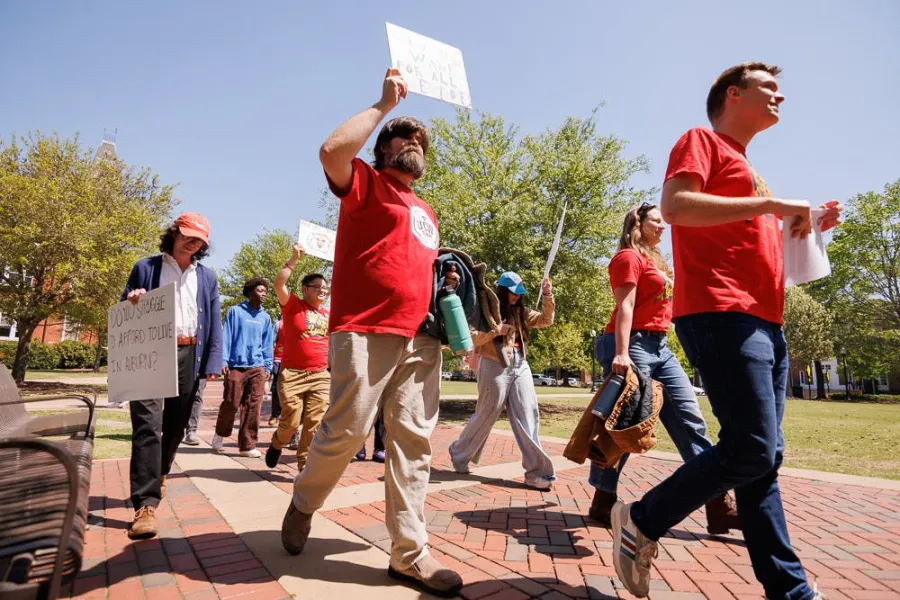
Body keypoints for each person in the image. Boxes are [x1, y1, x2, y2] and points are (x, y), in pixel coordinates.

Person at [610, 62, 841, 600]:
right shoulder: (701, 141)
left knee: (763, 458)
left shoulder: (748, 168)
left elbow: (749, 243)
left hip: (765, 318)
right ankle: (642, 518)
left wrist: (800, 226)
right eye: (768, 88)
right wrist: (773, 205)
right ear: (734, 95)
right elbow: (676, 206)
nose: (780, 95)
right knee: (755, 450)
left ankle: (790, 591)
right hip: (721, 313)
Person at [280, 68, 462, 598]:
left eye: (421, 139)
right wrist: (384, 105)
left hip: (420, 338)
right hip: (363, 330)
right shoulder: (364, 181)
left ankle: (409, 553)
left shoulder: (426, 209)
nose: (415, 142)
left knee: (413, 442)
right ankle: (304, 502)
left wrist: (443, 280)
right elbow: (330, 152)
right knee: (346, 432)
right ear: (383, 150)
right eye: (404, 136)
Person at [587, 203, 739, 534]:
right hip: (631, 345)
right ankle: (603, 498)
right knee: (630, 425)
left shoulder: (658, 261)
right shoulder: (628, 258)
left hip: (661, 347)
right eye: (656, 221)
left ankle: (718, 505)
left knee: (690, 421)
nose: (662, 227)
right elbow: (625, 306)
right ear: (637, 224)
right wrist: (622, 353)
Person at [121, 212, 222, 539]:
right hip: (150, 349)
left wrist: (211, 362)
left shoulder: (207, 277)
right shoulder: (146, 267)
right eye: (188, 235)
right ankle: (145, 505)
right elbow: (126, 306)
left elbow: (214, 323)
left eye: (200, 240)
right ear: (174, 232)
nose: (192, 243)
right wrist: (133, 302)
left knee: (176, 425)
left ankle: (161, 470)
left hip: (188, 352)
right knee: (147, 425)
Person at [449, 272, 557, 490]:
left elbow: (546, 320)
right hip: (492, 363)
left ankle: (537, 472)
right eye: (512, 294)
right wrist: (496, 330)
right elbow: (471, 335)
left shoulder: (521, 312)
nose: (516, 298)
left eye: (519, 294)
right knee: (487, 413)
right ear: (502, 291)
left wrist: (547, 294)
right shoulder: (485, 309)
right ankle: (459, 454)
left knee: (528, 413)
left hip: (520, 364)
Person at [264, 248, 331, 471]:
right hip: (292, 374)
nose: (323, 290)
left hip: (320, 374)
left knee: (315, 422)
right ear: (305, 289)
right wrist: (293, 259)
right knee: (291, 421)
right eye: (318, 287)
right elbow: (279, 285)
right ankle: (277, 442)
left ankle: (304, 465)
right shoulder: (293, 306)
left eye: (325, 287)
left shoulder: (328, 314)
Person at [211, 278, 273, 458]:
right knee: (231, 402)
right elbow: (227, 336)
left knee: (254, 406)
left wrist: (267, 366)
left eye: (266, 291)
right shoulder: (235, 312)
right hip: (236, 365)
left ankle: (247, 445)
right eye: (261, 290)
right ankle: (220, 434)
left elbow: (267, 343)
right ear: (250, 291)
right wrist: (222, 360)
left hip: (257, 366)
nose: (264, 294)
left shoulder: (265, 317)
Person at [267, 317, 284, 427]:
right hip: (279, 360)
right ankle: (275, 414)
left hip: (294, 361)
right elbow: (270, 343)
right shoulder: (279, 324)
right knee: (277, 388)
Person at [182, 378, 206, 446]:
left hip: (199, 370)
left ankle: (191, 431)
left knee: (197, 395)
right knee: (181, 393)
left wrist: (214, 368)